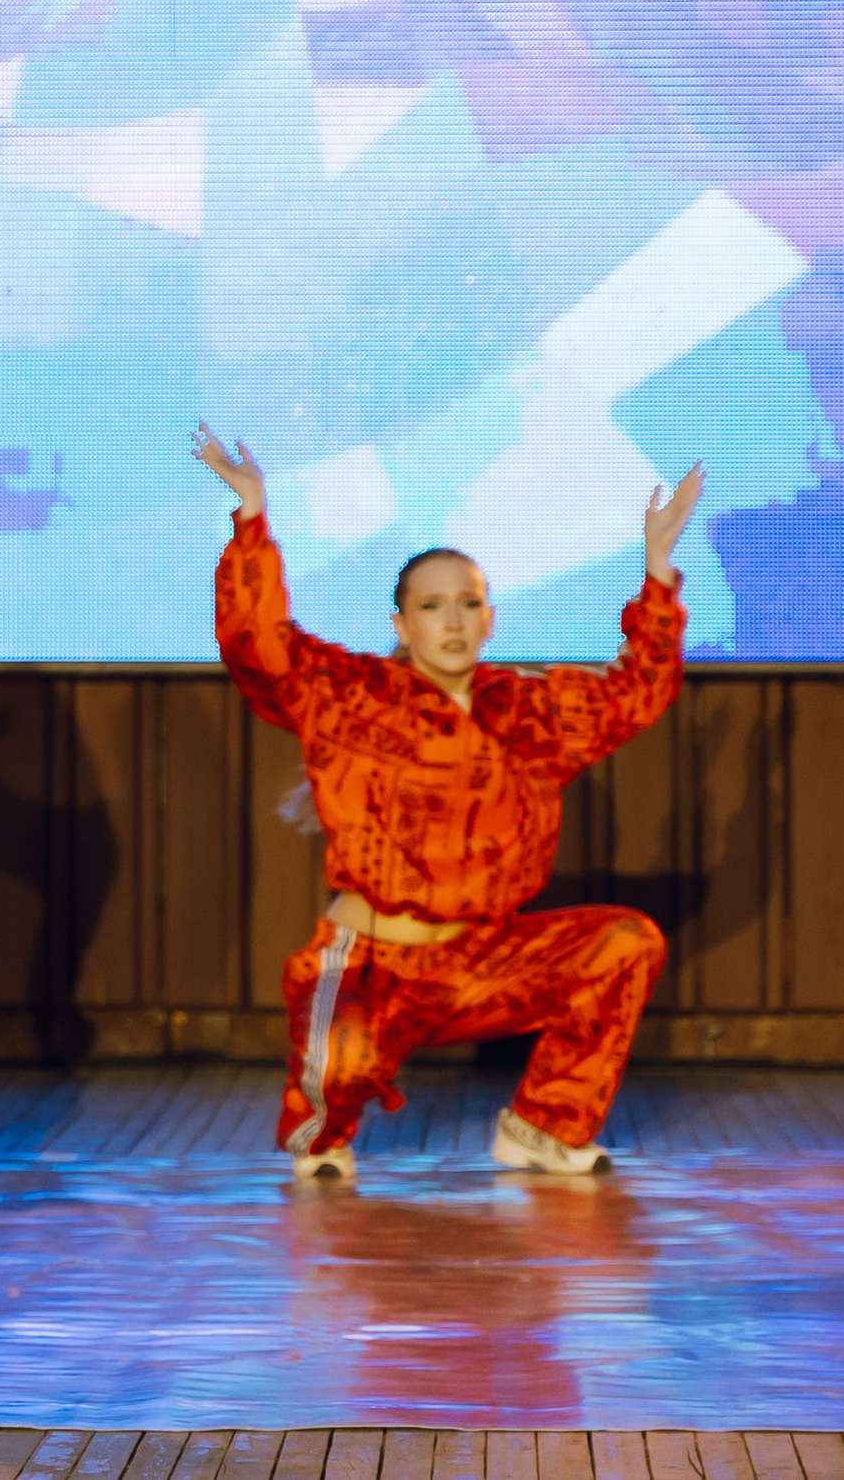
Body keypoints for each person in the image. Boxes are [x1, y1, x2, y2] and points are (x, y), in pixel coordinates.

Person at [193, 424, 703, 1182]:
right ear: (402, 625)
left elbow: (635, 693)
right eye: (434, 606)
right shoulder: (352, 696)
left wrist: (657, 570)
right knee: (343, 1067)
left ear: (490, 617)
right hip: (372, 967)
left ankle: (545, 1127)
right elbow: (258, 643)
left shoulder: (528, 709)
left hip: (479, 960)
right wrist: (252, 516)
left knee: (623, 941)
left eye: (470, 603)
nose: (455, 620)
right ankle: (323, 1131)